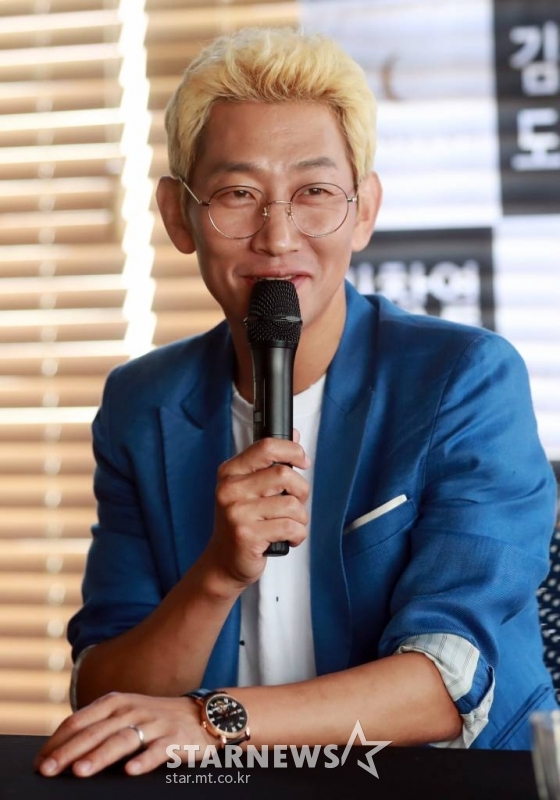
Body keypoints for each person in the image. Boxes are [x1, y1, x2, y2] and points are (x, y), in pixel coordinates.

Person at [35, 26, 558, 778]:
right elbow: (106, 690)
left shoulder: (464, 378)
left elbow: (448, 680)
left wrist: (213, 721)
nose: (278, 237)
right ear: (180, 216)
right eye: (238, 194)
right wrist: (217, 574)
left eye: (314, 193)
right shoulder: (140, 404)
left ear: (363, 210)